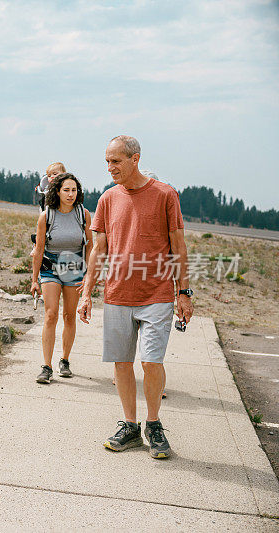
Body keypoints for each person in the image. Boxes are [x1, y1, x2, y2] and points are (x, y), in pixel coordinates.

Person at [78, 135, 193, 460]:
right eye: (107, 162)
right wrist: (87, 292)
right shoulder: (107, 199)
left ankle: (153, 423)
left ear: (135, 159)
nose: (110, 168)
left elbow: (178, 247)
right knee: (122, 362)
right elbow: (99, 251)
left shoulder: (165, 195)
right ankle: (130, 425)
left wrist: (183, 292)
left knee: (151, 361)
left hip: (156, 294)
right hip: (116, 294)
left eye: (116, 161)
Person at [30, 173, 92, 383]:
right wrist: (34, 279)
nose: (70, 194)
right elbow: (38, 250)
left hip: (74, 264)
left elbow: (90, 246)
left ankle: (64, 360)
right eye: (66, 190)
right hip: (50, 266)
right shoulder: (46, 215)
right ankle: (46, 366)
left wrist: (88, 274)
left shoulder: (83, 214)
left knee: (69, 316)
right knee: (50, 315)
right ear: (57, 191)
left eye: (74, 190)